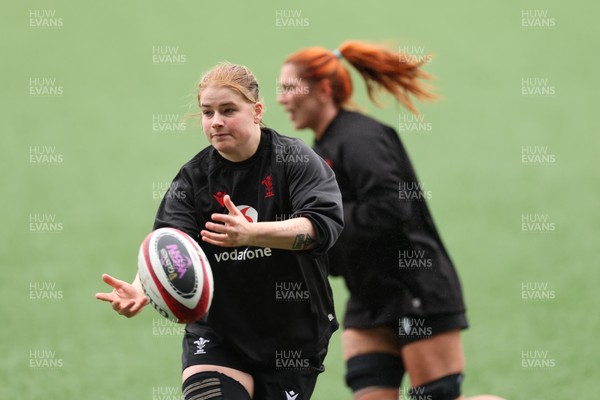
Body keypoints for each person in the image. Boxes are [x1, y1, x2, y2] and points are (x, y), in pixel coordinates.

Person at [96, 62, 344, 400]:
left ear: (257, 111)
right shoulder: (194, 178)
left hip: (293, 337)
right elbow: (169, 243)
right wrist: (143, 286)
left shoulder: (294, 160)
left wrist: (252, 233)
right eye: (207, 112)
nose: (216, 122)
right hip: (219, 334)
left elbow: (320, 227)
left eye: (228, 110)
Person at [277, 42, 505, 400]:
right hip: (369, 299)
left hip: (415, 289)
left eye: (289, 87)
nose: (281, 99)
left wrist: (323, 227)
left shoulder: (360, 138)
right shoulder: (320, 151)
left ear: (322, 89)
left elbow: (391, 208)